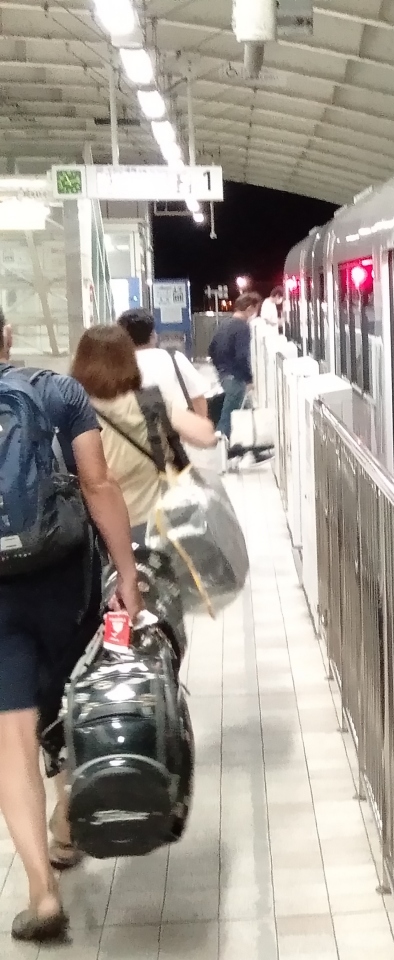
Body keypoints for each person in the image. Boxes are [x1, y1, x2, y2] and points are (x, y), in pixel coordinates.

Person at [0, 317, 142, 942]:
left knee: (12, 735)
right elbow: (97, 483)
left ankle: (41, 894)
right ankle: (66, 818)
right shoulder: (59, 392)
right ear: (6, 336)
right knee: (63, 701)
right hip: (64, 579)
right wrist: (127, 573)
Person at [71, 327, 216, 543]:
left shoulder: (73, 409)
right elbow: (206, 435)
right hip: (156, 528)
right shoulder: (148, 402)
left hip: (100, 533)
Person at [117, 308, 211, 420]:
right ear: (153, 335)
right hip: (176, 427)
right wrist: (199, 425)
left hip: (131, 429)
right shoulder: (174, 358)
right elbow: (198, 398)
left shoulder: (116, 366)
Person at [208, 292, 260, 439]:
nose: (255, 314)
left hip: (223, 374)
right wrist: (249, 379)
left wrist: (221, 369)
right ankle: (222, 445)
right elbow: (242, 356)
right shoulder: (242, 327)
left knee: (228, 413)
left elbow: (211, 349)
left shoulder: (225, 323)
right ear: (249, 308)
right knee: (228, 420)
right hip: (235, 377)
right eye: (255, 310)